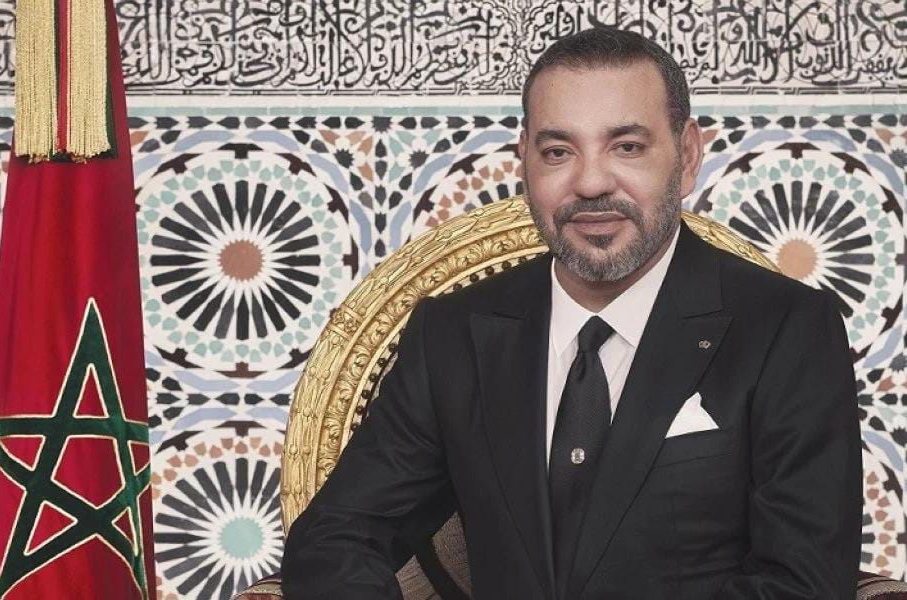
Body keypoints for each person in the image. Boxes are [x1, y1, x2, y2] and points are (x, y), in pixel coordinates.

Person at [281, 27, 861, 600]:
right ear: (525, 162)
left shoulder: (788, 329)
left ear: (686, 156)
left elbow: (804, 581)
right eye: (558, 152)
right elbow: (334, 537)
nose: (590, 183)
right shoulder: (452, 333)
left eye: (626, 147)